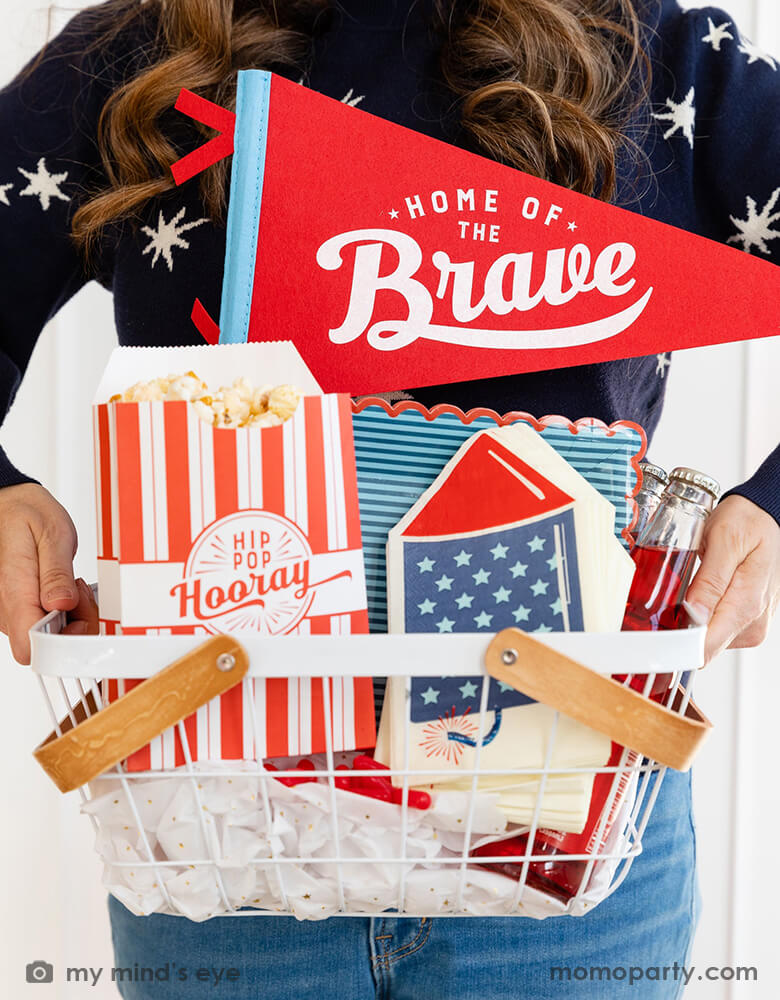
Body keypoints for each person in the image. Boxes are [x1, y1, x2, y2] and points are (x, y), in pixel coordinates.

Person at [0, 1, 778, 997]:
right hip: (224, 847)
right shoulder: (136, 60)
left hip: (558, 843)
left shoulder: (658, 56)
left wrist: (774, 511)